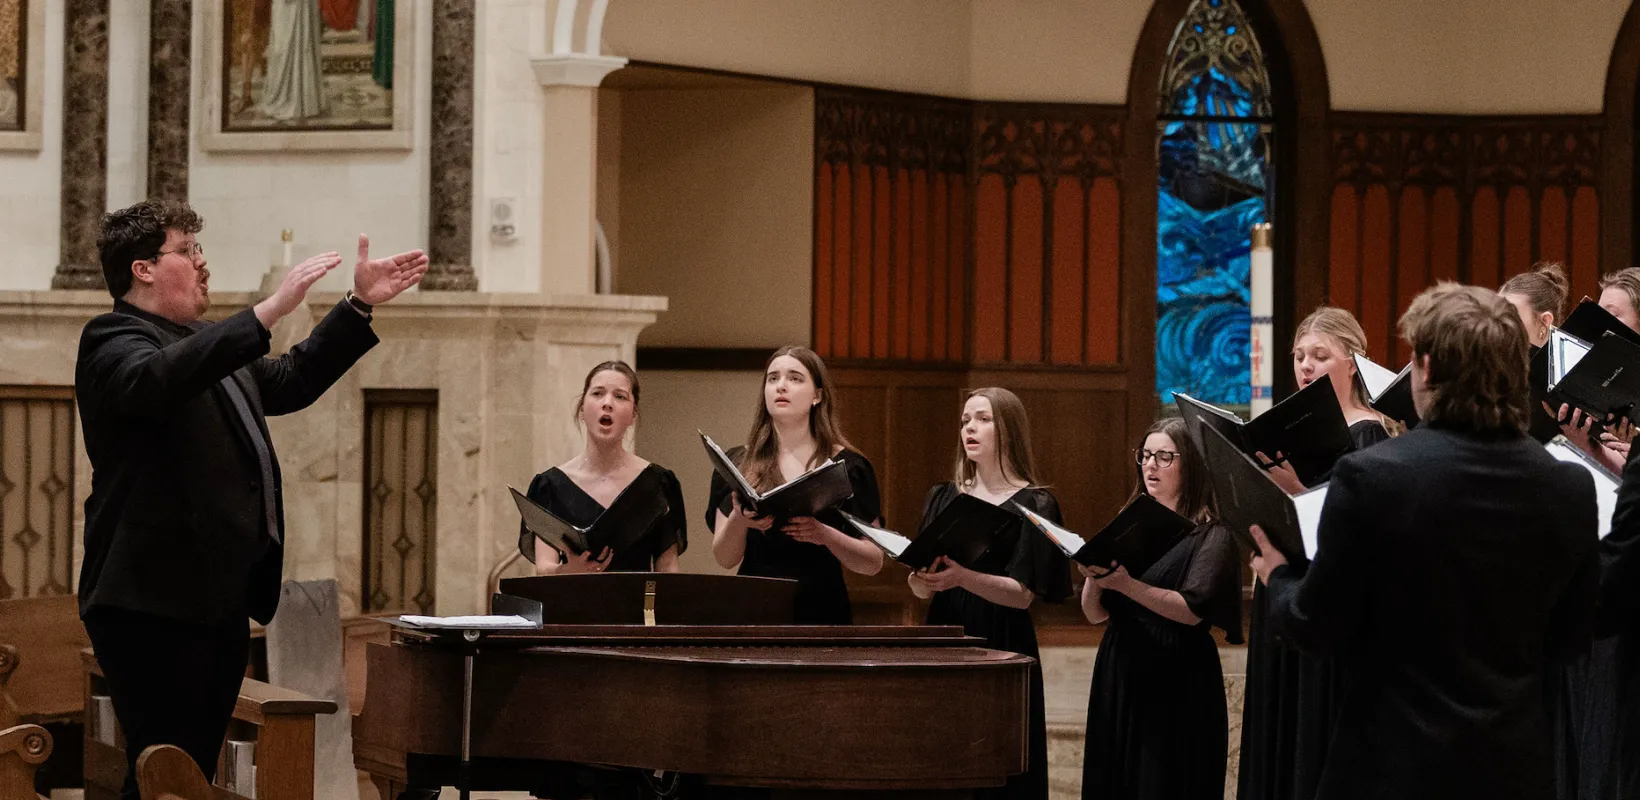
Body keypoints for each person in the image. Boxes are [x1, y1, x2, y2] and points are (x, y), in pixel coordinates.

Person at [75, 199, 427, 798]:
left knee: (188, 772)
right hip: (149, 605)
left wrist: (358, 305)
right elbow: (159, 380)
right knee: (165, 764)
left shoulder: (209, 344)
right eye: (187, 250)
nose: (203, 262)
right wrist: (267, 311)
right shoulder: (112, 341)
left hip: (213, 601)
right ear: (143, 269)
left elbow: (291, 379)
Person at [1249, 282, 1599, 800]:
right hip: (1511, 768)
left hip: (1389, 766)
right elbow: (1572, 638)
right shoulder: (1568, 487)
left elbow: (1315, 626)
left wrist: (1277, 574)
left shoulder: (1372, 477)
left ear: (1427, 369)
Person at [1239, 307, 1391, 800]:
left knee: (1310, 732)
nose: (1305, 365)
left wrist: (1296, 489)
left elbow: (1358, 534)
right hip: (1278, 586)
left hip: (1321, 599)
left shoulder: (1367, 432)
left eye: (1320, 355)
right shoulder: (1286, 430)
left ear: (1353, 362)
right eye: (1300, 356)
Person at [906, 388, 1069, 800]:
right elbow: (918, 586)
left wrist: (964, 577)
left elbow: (1023, 595)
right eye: (965, 421)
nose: (969, 428)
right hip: (946, 633)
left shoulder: (1036, 503)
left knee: (1000, 757)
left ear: (1008, 429)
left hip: (1002, 637)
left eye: (982, 419)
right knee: (944, 752)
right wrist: (922, 581)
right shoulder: (943, 496)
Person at [1080, 417, 1243, 800]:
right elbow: (1094, 613)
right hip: (1119, 667)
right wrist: (1094, 575)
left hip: (1176, 673)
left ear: (1190, 465)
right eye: (1146, 455)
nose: (1150, 465)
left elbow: (1191, 610)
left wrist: (1126, 584)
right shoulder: (1129, 523)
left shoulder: (1212, 534)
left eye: (1164, 457)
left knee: (1166, 781)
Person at [708, 346, 884, 624]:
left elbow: (873, 561)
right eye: (773, 378)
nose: (781, 386)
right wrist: (740, 521)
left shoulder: (849, 467)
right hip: (753, 607)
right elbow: (724, 558)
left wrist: (825, 535)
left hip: (821, 606)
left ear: (817, 395)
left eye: (795, 378)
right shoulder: (738, 462)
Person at [516, 361, 687, 574]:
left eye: (620, 396)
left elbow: (668, 567)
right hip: (573, 603)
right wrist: (570, 570)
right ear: (582, 409)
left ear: (633, 414)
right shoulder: (550, 485)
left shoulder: (659, 483)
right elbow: (543, 568)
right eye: (597, 394)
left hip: (636, 604)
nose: (607, 403)